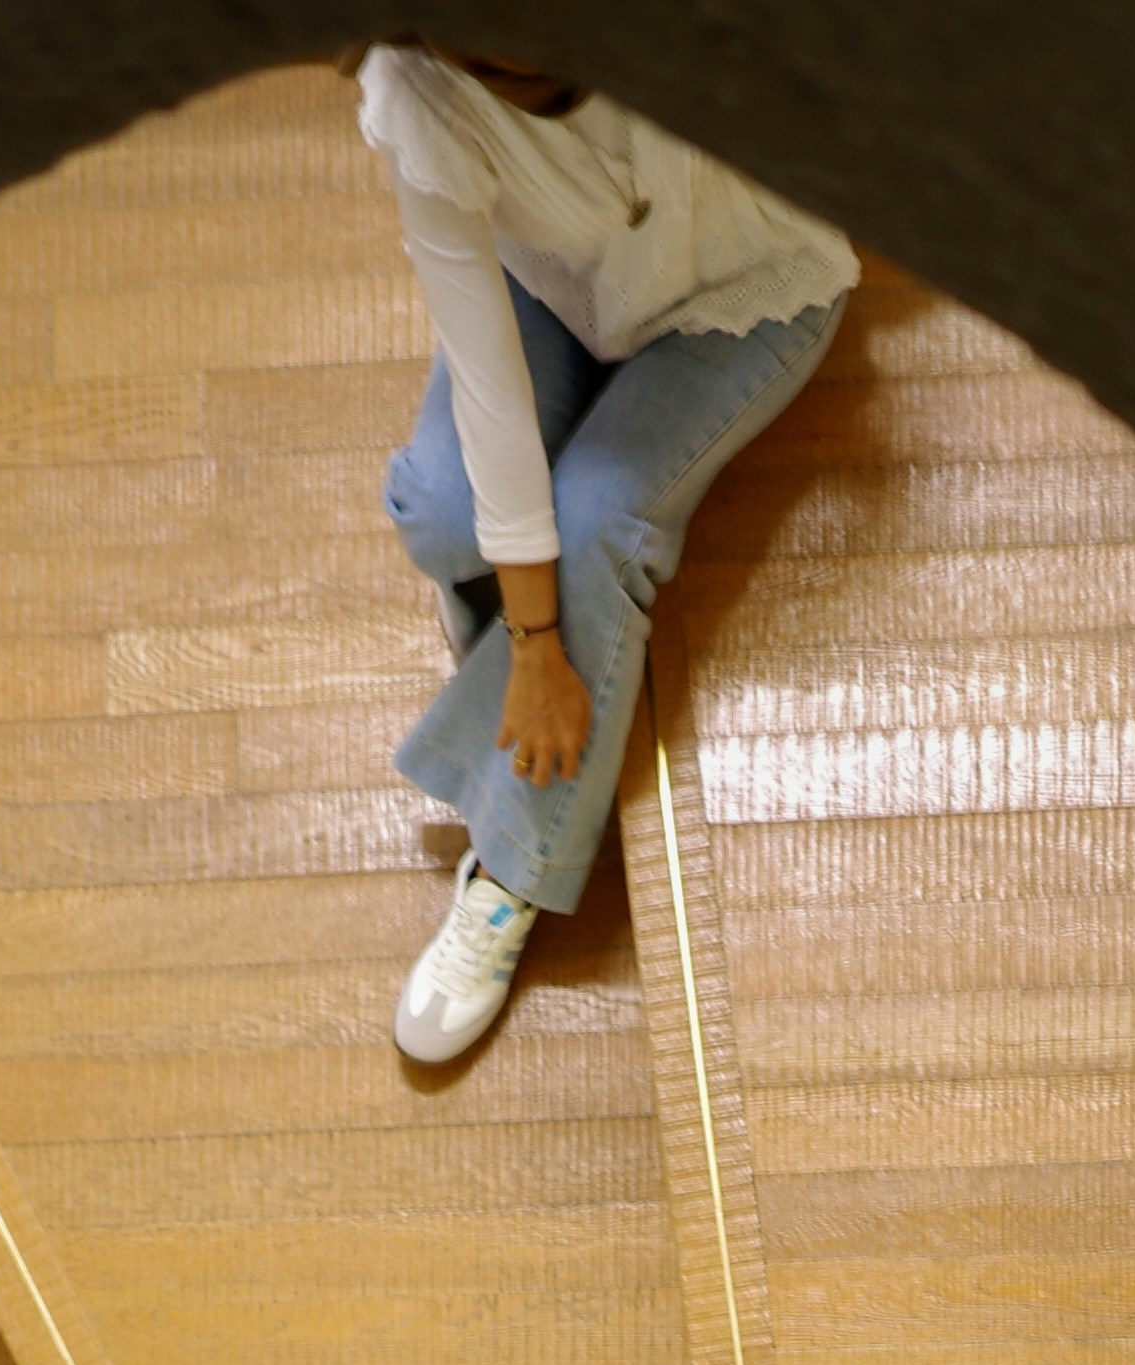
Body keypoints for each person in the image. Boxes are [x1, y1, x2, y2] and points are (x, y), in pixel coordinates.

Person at [359, 47, 856, 1066]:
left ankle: (505, 871)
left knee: (592, 530)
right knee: (444, 513)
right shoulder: (415, 90)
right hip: (557, 287)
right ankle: (526, 632)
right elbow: (489, 392)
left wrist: (540, 633)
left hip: (744, 287)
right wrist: (539, 642)